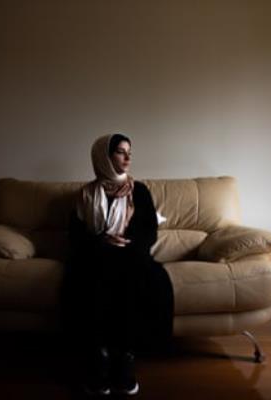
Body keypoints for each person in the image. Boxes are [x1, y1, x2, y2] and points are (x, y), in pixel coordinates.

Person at [63, 133, 173, 396]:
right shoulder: (87, 193)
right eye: (121, 152)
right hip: (95, 253)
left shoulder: (140, 190)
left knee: (141, 277)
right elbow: (75, 235)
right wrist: (101, 240)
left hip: (131, 253)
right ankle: (98, 356)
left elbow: (149, 232)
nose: (128, 157)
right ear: (104, 157)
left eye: (129, 152)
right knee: (88, 277)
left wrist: (127, 243)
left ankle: (125, 356)